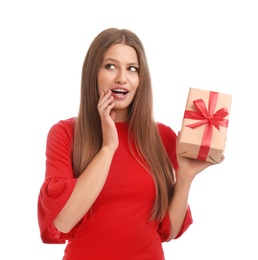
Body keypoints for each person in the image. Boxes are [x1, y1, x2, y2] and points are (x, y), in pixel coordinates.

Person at [37, 28, 224, 260]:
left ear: (140, 79)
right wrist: (108, 148)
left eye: (132, 69)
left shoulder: (162, 137)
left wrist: (185, 175)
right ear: (93, 73)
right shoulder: (65, 133)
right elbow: (62, 222)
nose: (122, 78)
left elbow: (167, 232)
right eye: (110, 66)